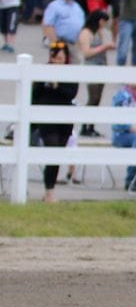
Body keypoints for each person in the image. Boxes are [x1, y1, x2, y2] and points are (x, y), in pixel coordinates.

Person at [31, 42, 78, 202]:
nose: (57, 61)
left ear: (66, 58)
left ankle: (49, 191)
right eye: (55, 58)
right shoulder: (43, 70)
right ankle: (49, 191)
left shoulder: (70, 72)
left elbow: (71, 94)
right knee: (51, 149)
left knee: (57, 153)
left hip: (64, 117)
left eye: (61, 58)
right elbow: (34, 94)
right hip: (46, 116)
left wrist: (57, 85)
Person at [77, 9, 115, 137]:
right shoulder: (86, 33)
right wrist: (104, 47)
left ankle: (91, 125)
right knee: (92, 97)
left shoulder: (99, 33)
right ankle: (85, 126)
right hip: (91, 67)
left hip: (101, 66)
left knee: (98, 98)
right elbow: (86, 52)